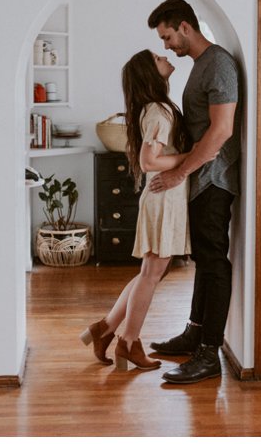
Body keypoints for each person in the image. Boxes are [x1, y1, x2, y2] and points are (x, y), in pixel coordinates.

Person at [146, 0, 241, 385]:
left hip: (214, 178)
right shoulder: (202, 66)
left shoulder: (218, 63)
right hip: (202, 177)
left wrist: (178, 173)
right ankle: (194, 332)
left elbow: (221, 131)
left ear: (185, 26)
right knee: (204, 258)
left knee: (214, 261)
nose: (167, 45)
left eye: (168, 36)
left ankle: (209, 353)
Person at [80, 49, 192, 371]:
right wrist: (191, 156)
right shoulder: (158, 110)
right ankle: (129, 342)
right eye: (158, 57)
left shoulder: (155, 108)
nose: (165, 57)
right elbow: (148, 162)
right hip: (164, 196)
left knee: (151, 271)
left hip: (163, 196)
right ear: (150, 73)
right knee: (152, 273)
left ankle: (105, 329)